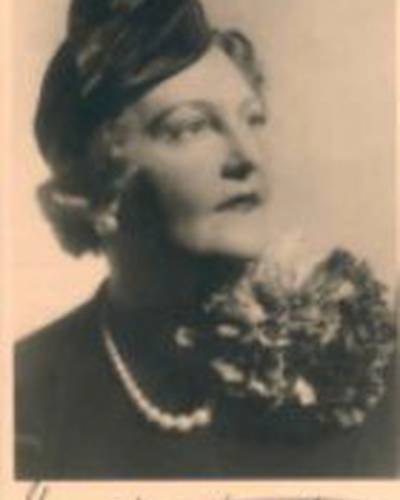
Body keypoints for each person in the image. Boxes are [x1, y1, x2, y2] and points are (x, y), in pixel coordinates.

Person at [15, 0, 397, 479]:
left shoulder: (369, 366)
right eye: (191, 127)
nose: (247, 156)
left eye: (252, 119)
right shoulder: (27, 393)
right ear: (97, 187)